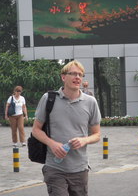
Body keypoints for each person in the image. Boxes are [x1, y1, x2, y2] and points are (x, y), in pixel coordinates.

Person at [32, 60, 101, 196]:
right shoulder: (48, 99)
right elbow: (36, 130)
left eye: (80, 75)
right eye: (73, 74)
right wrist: (52, 144)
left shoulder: (90, 102)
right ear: (63, 77)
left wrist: (84, 140)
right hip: (54, 167)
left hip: (80, 168)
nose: (78, 77)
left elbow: (97, 134)